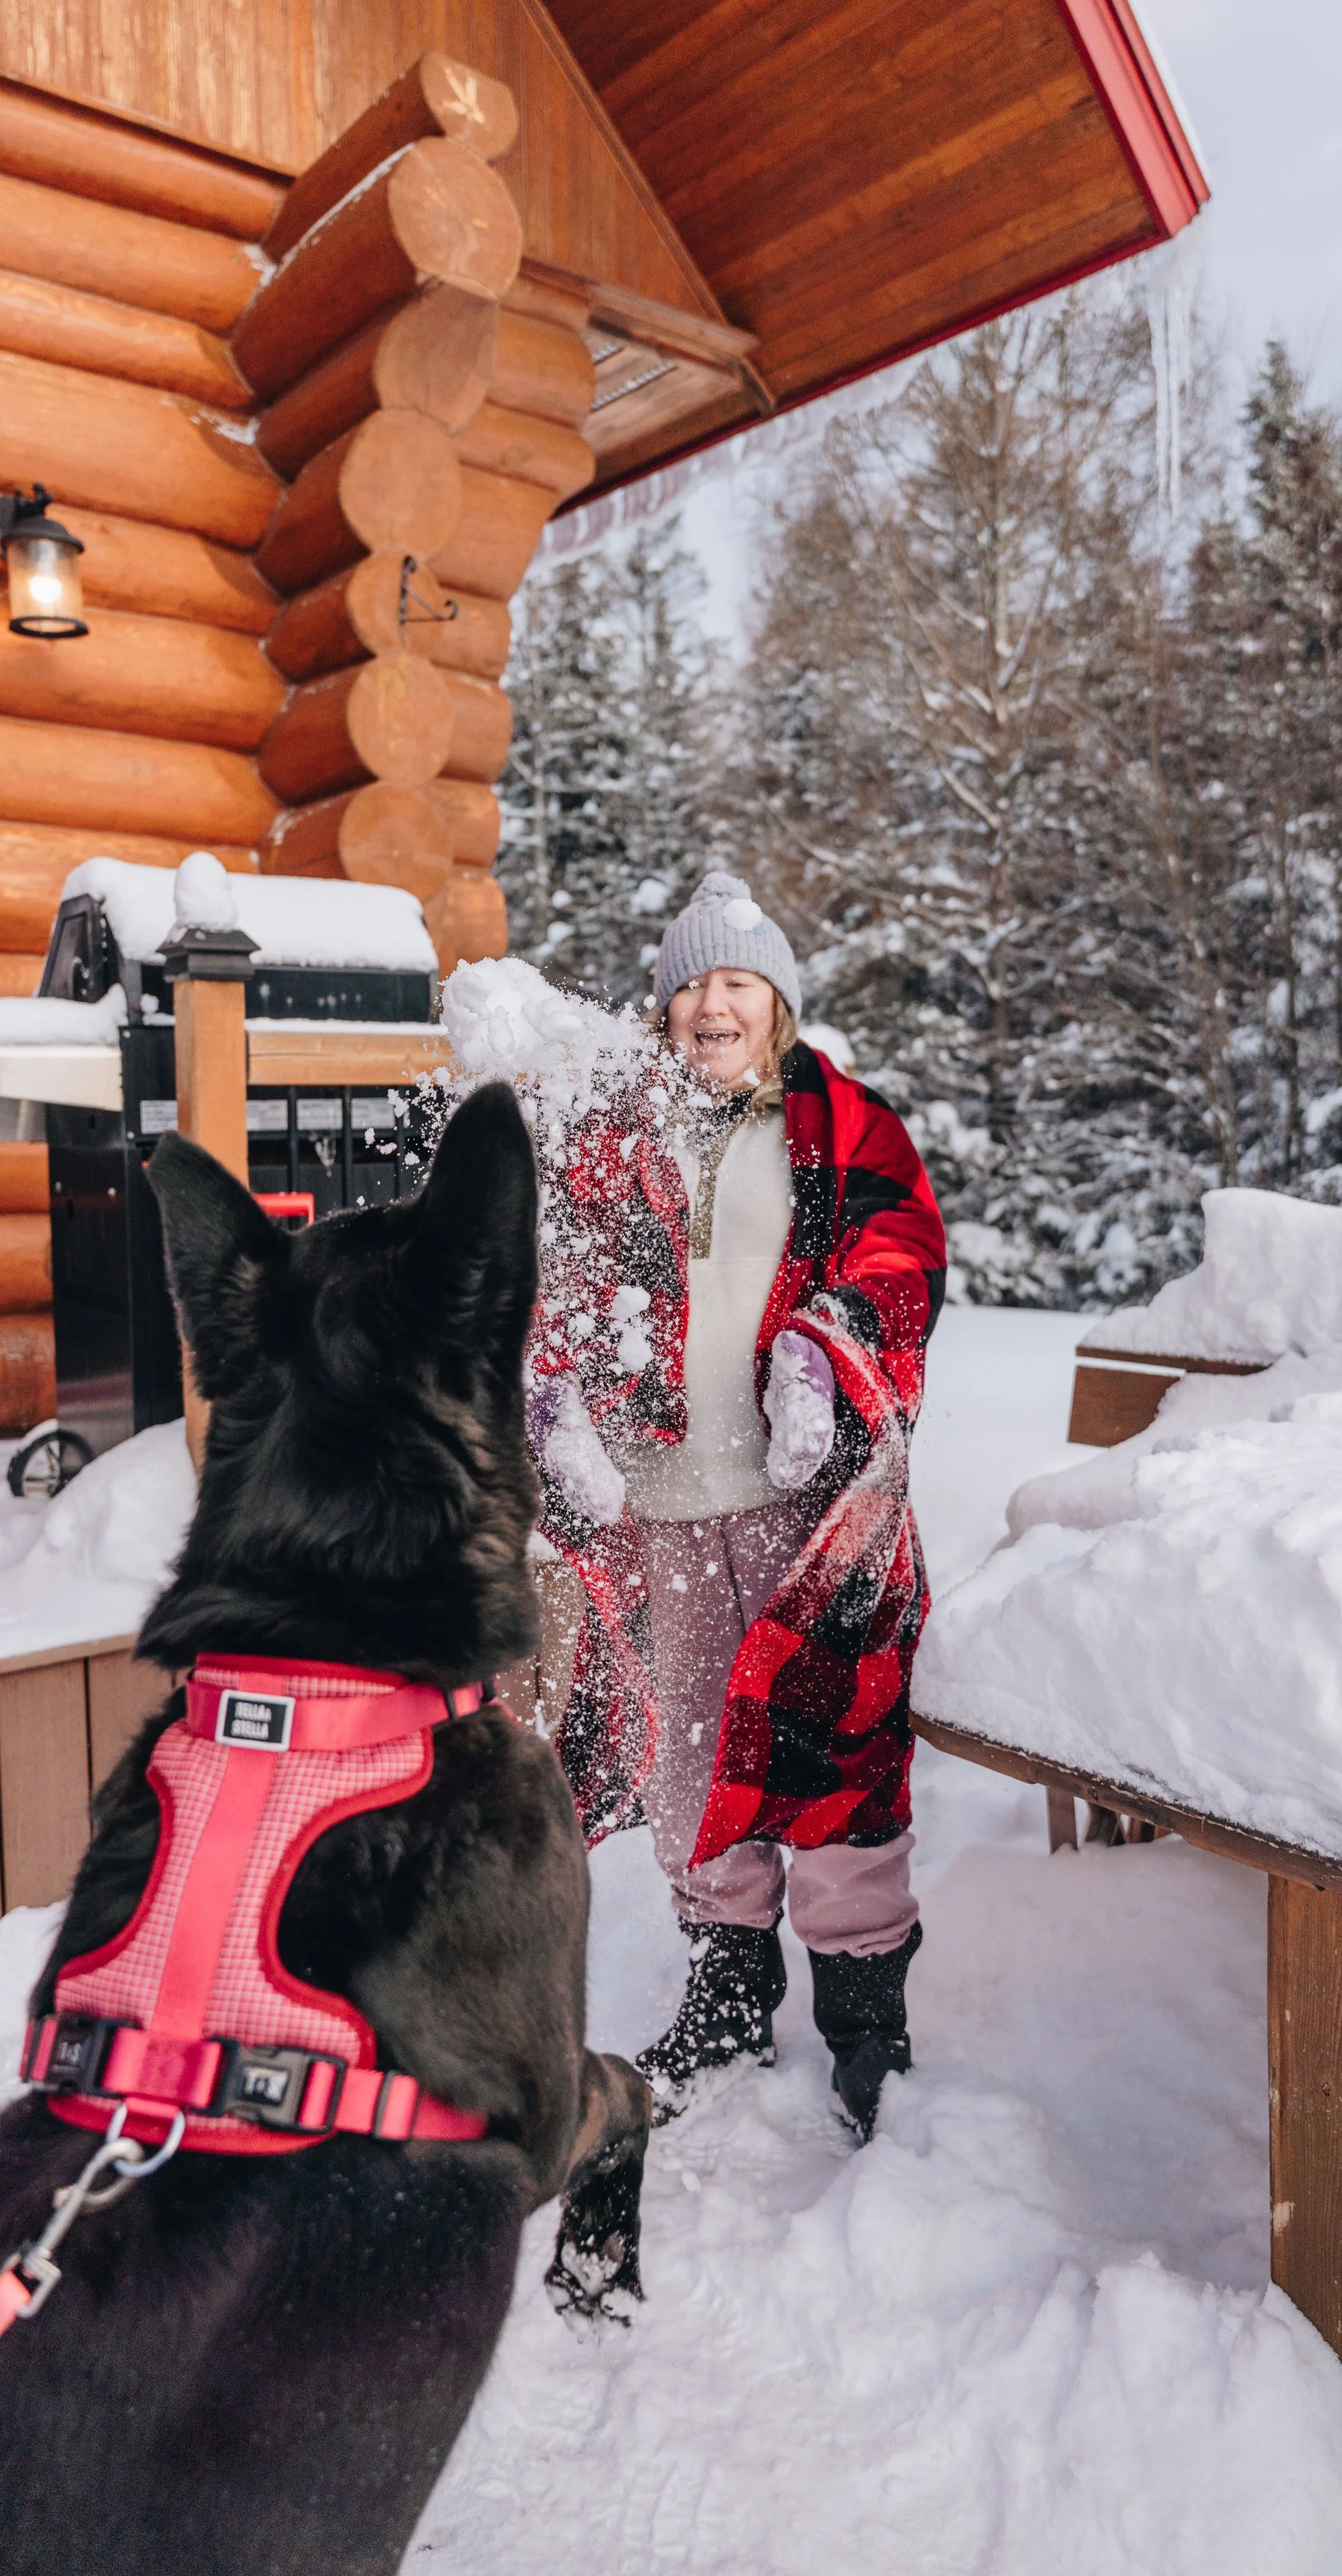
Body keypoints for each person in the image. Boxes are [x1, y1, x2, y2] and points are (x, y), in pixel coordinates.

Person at [529, 872, 947, 2140]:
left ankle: (864, 2012)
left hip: (799, 1504)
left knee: (834, 1744)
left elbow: (902, 1251)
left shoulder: (843, 1123)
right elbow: (558, 1280)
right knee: (695, 1752)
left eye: (738, 981)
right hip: (657, 1505)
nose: (713, 1004)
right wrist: (554, 1397)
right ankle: (729, 1982)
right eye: (692, 985)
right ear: (663, 1006)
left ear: (778, 1002)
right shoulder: (615, 1133)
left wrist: (827, 1346)